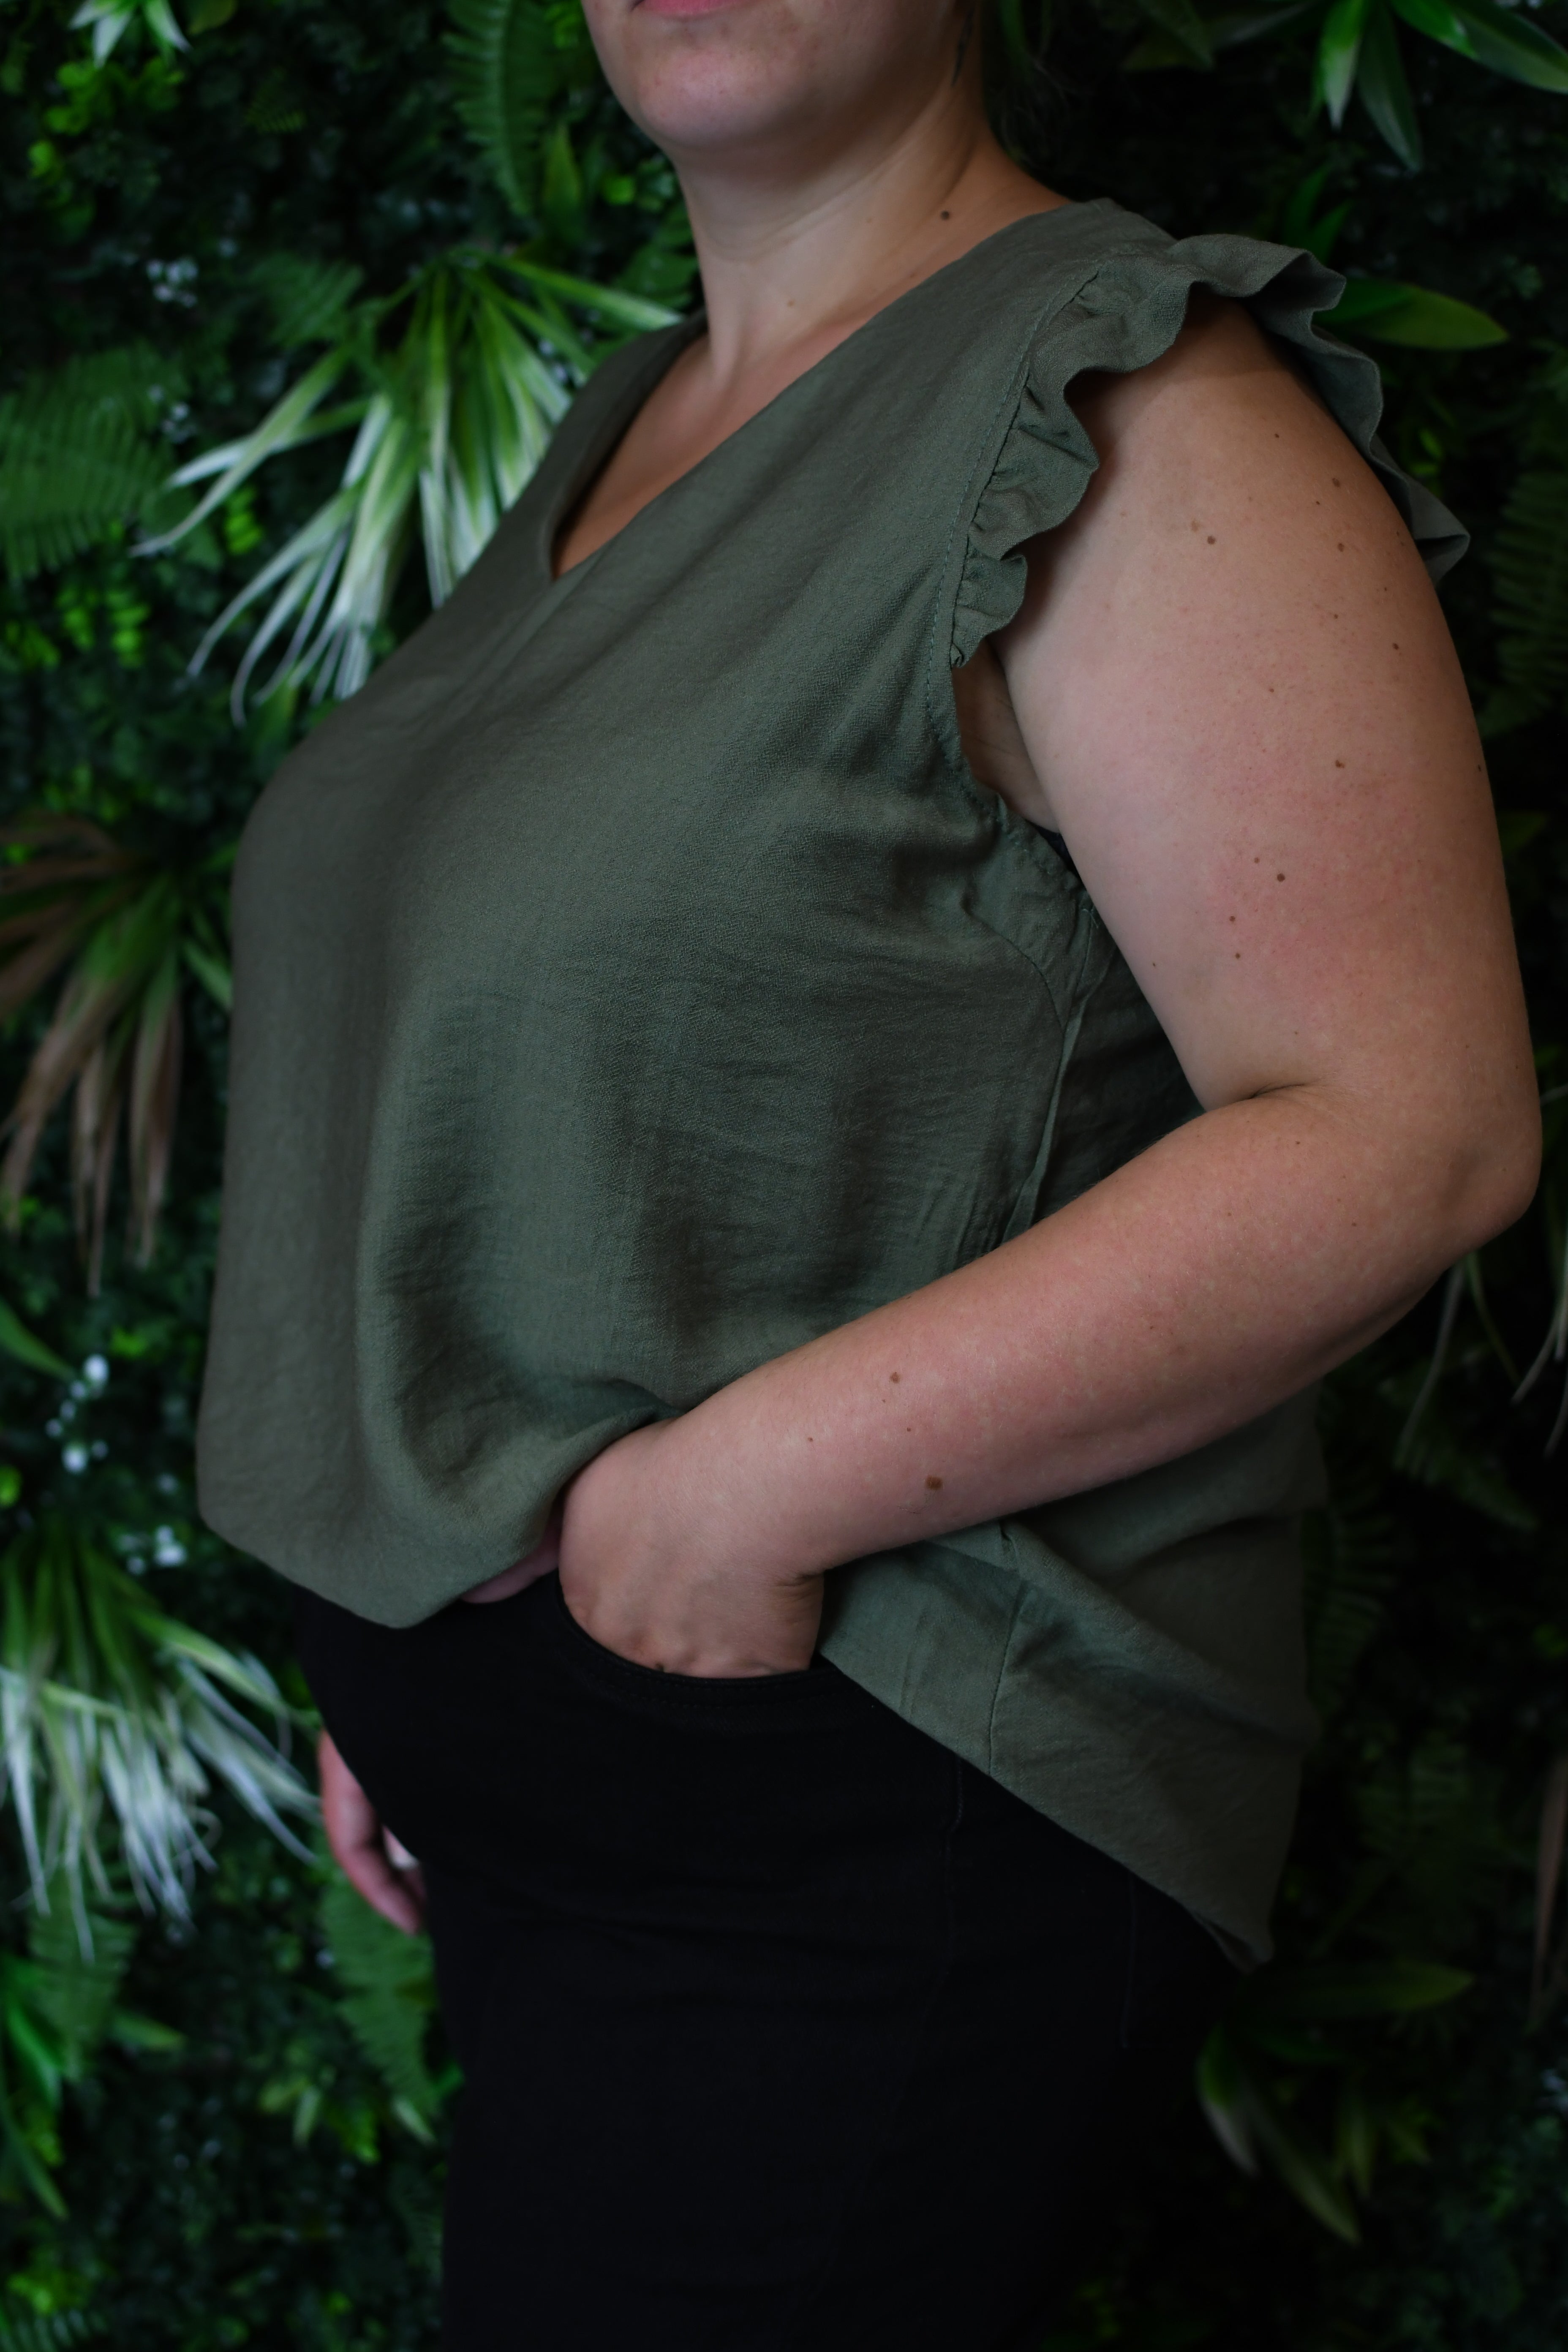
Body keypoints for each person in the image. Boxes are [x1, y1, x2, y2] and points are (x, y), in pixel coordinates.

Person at [196, 2, 1540, 2344]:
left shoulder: (1133, 409)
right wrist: (421, 1539)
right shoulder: (634, 418)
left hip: (846, 1802)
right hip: (578, 1787)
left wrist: (725, 1505)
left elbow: (1402, 1129)